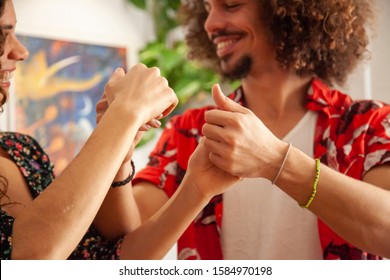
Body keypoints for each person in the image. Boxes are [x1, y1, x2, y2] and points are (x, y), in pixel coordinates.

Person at [132, 0, 390, 260]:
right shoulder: (189, 131)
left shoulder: (367, 125)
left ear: (287, 11)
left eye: (230, 5)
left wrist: (275, 161)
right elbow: (125, 240)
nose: (210, 25)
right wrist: (119, 141)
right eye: (208, 9)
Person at [0, 0, 240, 259]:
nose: (21, 51)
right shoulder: (185, 128)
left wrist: (197, 187)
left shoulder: (22, 151)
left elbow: (110, 257)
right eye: (3, 34)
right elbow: (31, 259)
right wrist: (123, 115)